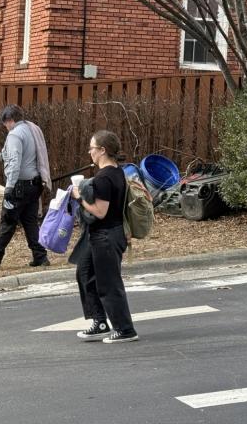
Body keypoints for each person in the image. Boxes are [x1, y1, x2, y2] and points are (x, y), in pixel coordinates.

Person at [69, 130, 138, 343]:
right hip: (104, 234)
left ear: (102, 150)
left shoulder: (105, 177)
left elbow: (100, 211)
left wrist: (78, 197)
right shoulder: (116, 172)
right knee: (85, 271)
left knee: (109, 284)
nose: (90, 152)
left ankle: (125, 330)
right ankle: (99, 322)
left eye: (92, 148)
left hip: (106, 236)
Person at [0, 105, 51, 271]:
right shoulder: (33, 129)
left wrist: (9, 187)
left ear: (10, 120)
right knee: (30, 222)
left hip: (19, 186)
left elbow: (14, 162)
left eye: (5, 124)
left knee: (7, 222)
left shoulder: (15, 134)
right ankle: (40, 256)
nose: (6, 127)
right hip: (34, 184)